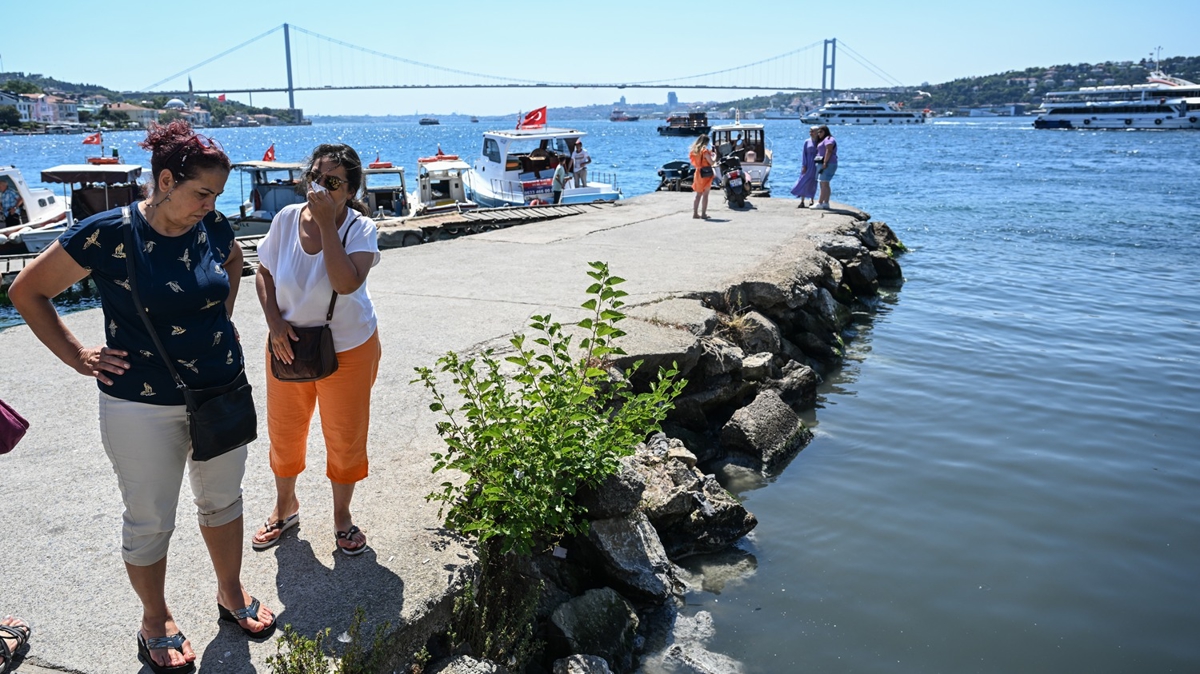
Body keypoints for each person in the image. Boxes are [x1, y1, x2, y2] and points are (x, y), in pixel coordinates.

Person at [9, 121, 275, 674]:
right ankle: (155, 619)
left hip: (221, 389)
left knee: (224, 501)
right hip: (140, 402)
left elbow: (232, 264)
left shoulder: (214, 225)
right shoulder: (107, 233)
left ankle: (230, 594)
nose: (210, 204)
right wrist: (80, 355)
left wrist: (218, 322)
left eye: (217, 195)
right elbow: (27, 291)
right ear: (165, 180)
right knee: (151, 518)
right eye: (202, 192)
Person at [252, 144, 382, 558]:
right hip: (286, 344)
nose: (321, 188)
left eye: (332, 182)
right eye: (316, 178)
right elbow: (264, 272)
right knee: (285, 432)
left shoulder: (359, 229)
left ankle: (341, 517)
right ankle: (284, 506)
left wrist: (328, 224)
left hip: (349, 348)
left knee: (344, 436)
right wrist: (273, 321)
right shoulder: (286, 219)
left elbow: (346, 284)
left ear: (349, 189)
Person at [790, 126, 820, 208]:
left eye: (812, 131)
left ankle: (812, 199)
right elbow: (804, 154)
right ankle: (802, 201)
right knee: (803, 181)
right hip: (808, 164)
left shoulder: (819, 142)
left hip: (816, 165)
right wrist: (804, 165)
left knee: (813, 182)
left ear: (817, 132)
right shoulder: (807, 142)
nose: (811, 133)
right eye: (810, 131)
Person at [689, 134, 716, 219]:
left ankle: (695, 213)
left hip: (698, 173)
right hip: (705, 174)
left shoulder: (694, 151)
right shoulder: (705, 151)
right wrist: (715, 156)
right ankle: (703, 214)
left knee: (698, 194)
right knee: (705, 195)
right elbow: (712, 162)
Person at [813, 125, 838, 210]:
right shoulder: (824, 140)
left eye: (821, 132)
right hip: (826, 163)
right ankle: (826, 202)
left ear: (826, 131)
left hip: (828, 163)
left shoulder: (828, 139)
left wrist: (825, 162)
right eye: (818, 132)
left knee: (823, 183)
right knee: (825, 183)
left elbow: (829, 150)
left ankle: (820, 203)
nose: (819, 134)